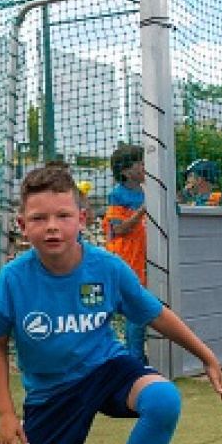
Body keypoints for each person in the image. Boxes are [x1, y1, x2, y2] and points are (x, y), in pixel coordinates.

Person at [0, 163, 222, 444]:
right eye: (39, 218)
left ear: (82, 218)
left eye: (63, 216)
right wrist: (6, 413)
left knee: (163, 398)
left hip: (106, 368)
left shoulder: (108, 268)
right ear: (21, 223)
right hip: (53, 392)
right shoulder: (13, 278)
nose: (52, 226)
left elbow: (156, 314)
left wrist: (206, 356)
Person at [102, 144, 149, 363]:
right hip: (128, 260)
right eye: (140, 163)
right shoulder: (118, 196)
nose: (144, 167)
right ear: (125, 171)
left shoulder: (149, 190)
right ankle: (135, 359)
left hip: (147, 258)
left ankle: (136, 356)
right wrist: (143, 211)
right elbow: (118, 228)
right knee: (135, 311)